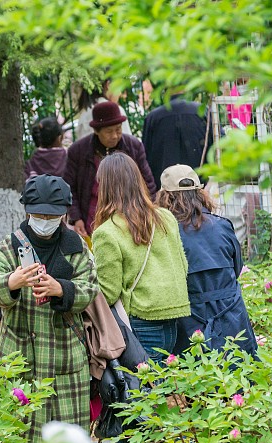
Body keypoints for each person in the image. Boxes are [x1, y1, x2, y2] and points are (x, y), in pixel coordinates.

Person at [0, 175, 99, 438]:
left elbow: (91, 287)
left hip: (66, 358)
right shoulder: (9, 246)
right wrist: (12, 282)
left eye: (51, 216)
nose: (45, 222)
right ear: (27, 212)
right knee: (19, 439)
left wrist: (62, 289)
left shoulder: (76, 246)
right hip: (20, 355)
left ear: (63, 214)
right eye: (39, 215)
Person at [91, 153, 190, 363]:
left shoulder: (107, 232)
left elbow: (108, 292)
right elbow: (183, 264)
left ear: (106, 188)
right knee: (163, 384)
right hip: (174, 315)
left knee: (144, 390)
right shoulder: (166, 217)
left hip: (141, 320)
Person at [155, 165, 255, 356]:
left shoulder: (165, 234)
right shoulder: (222, 225)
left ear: (165, 197)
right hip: (232, 314)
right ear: (200, 193)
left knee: (196, 379)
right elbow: (237, 266)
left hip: (189, 319)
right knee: (240, 375)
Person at [63, 102, 157, 238]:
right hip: (92, 217)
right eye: (109, 131)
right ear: (96, 131)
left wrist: (147, 214)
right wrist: (76, 217)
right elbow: (69, 187)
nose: (114, 135)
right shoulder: (78, 151)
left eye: (118, 129)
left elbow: (148, 184)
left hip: (129, 216)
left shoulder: (134, 147)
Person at [142, 93, 208, 181]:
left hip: (164, 187)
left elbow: (146, 157)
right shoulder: (202, 111)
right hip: (200, 185)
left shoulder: (153, 118)